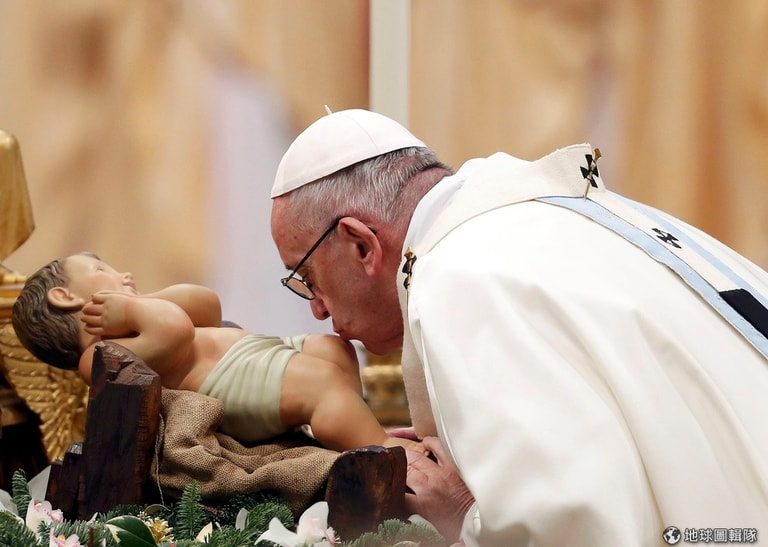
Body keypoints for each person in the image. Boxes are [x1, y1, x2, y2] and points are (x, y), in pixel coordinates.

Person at [269, 108, 768, 546]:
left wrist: (463, 514)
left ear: (361, 244)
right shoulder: (540, 224)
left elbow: (572, 524)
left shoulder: (464, 278)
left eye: (307, 278)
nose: (318, 310)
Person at [11, 251, 423, 454]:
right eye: (101, 270)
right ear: (65, 296)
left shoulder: (139, 314)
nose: (123, 274)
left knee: (333, 349)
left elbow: (207, 307)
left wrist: (140, 302)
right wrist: (135, 309)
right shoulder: (96, 357)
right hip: (228, 382)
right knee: (324, 384)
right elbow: (175, 333)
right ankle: (382, 450)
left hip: (254, 355)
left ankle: (346, 435)